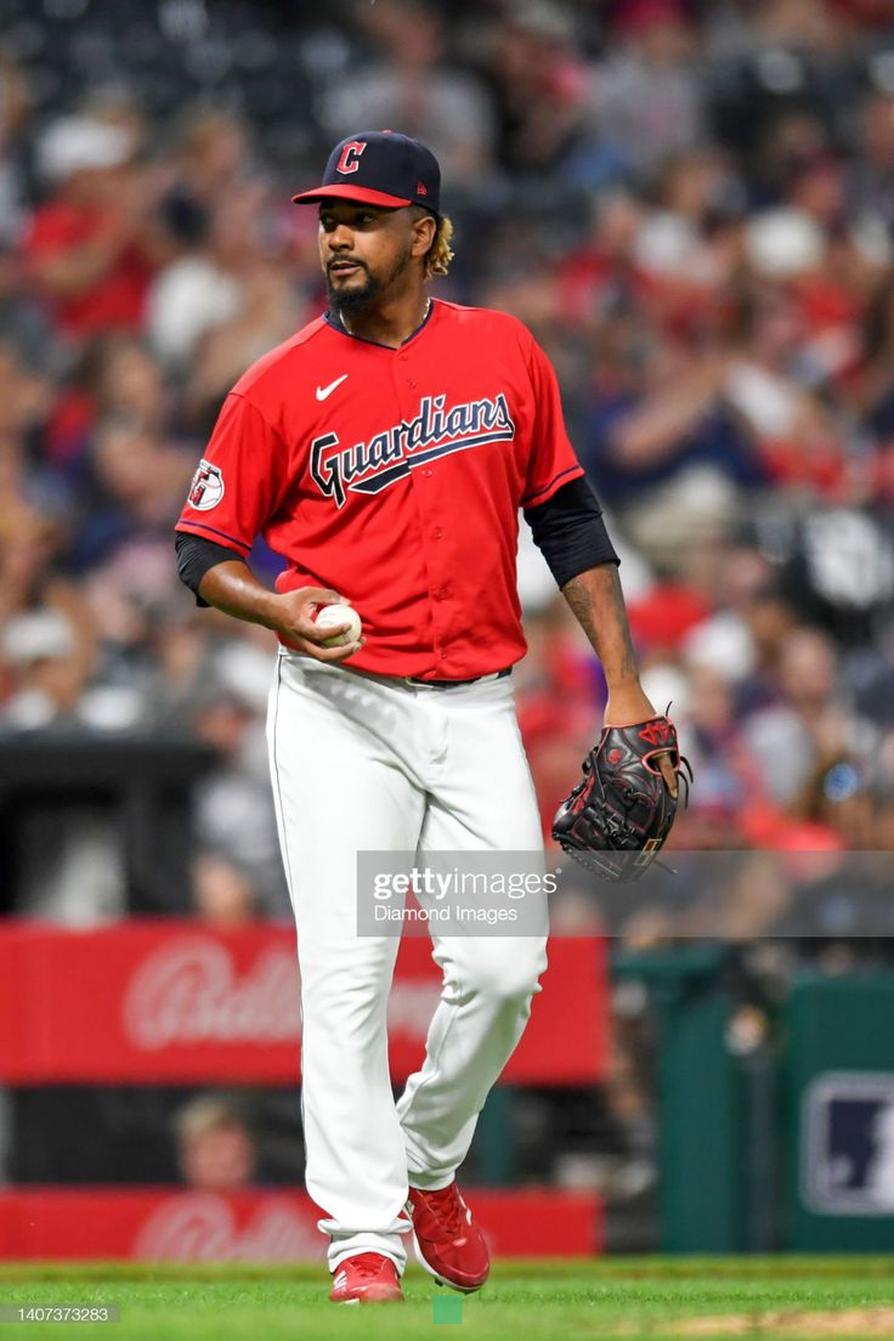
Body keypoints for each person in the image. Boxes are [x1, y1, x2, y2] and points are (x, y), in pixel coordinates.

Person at [174, 131, 672, 1304]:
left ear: (426, 232)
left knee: (504, 971)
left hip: (475, 715)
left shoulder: (504, 352)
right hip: (339, 714)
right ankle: (361, 1236)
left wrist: (627, 680)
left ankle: (427, 1157)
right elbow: (198, 554)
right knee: (347, 976)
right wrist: (276, 608)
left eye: (362, 215)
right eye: (326, 215)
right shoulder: (280, 382)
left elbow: (568, 517)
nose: (336, 234)